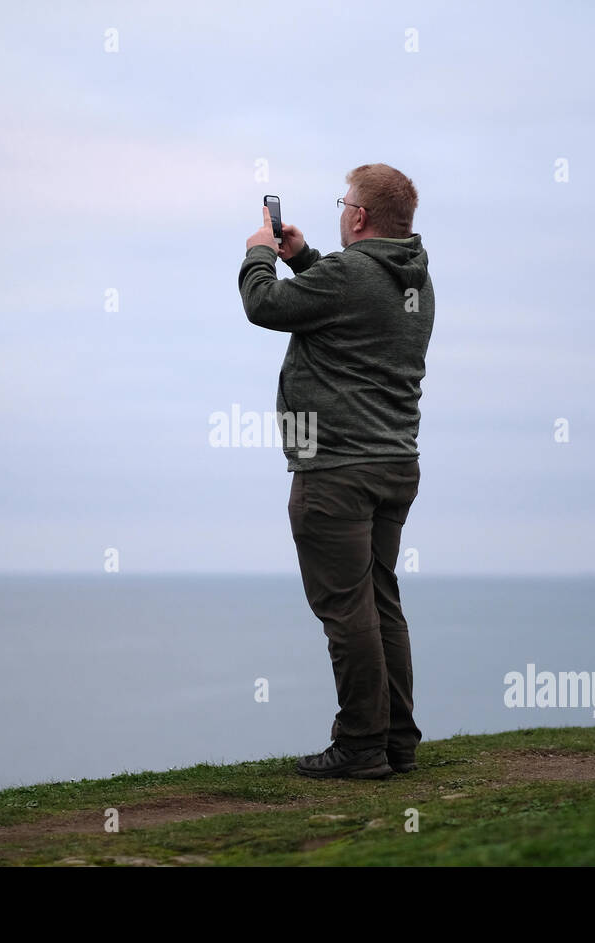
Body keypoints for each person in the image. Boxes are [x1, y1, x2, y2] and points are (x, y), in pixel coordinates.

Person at [237, 163, 435, 779]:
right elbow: (351, 299)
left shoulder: (351, 275)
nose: (340, 209)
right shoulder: (415, 281)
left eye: (343, 202)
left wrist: (260, 256)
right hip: (394, 463)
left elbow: (263, 306)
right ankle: (396, 741)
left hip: (336, 471)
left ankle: (360, 746)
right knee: (380, 604)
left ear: (358, 215)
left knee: (347, 612)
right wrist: (305, 257)